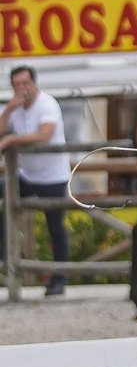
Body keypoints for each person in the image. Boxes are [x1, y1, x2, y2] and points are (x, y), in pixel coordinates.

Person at [0, 65, 71, 296]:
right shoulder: (15, 109)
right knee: (5, 205)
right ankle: (7, 261)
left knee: (55, 226)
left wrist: (11, 140)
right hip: (26, 174)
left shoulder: (47, 104)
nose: (22, 89)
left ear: (34, 83)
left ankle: (59, 278)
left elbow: (44, 134)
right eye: (17, 84)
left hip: (52, 176)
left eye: (25, 84)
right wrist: (9, 109)